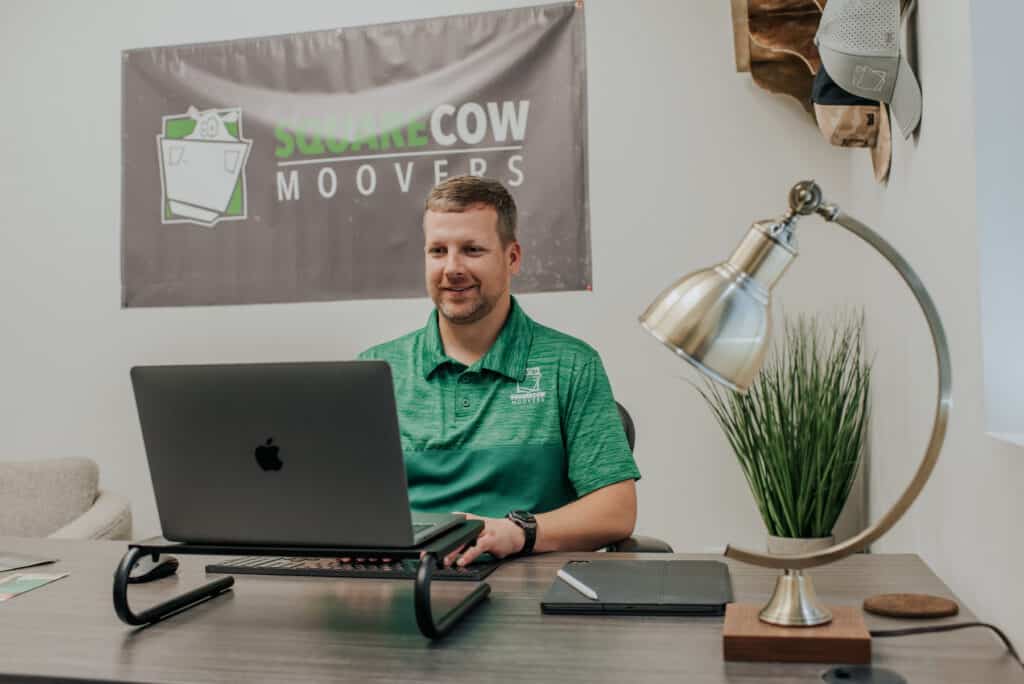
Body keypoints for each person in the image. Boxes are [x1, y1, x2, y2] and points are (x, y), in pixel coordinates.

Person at [358, 175, 640, 567]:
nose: (452, 268)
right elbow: (347, 507)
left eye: (472, 250)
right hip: (399, 588)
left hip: (523, 591)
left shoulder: (571, 364)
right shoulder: (376, 370)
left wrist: (518, 532)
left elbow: (616, 511)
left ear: (512, 257)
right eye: (438, 251)